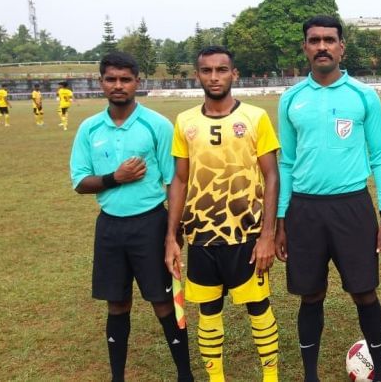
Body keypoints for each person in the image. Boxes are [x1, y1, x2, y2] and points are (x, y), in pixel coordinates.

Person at [276, 15, 381, 382]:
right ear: (305, 48)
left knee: (364, 293)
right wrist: (280, 219)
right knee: (310, 295)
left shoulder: (363, 96)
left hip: (352, 207)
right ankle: (310, 375)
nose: (322, 46)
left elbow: (379, 156)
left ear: (342, 47)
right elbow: (286, 161)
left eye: (330, 40)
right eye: (315, 40)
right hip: (304, 210)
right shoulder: (291, 99)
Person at [69, 52, 193, 382]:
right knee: (117, 303)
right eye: (111, 79)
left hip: (151, 224)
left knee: (163, 303)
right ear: (101, 83)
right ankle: (117, 376)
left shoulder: (157, 126)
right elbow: (80, 181)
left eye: (125, 79)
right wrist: (114, 178)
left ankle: (185, 374)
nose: (118, 85)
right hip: (109, 226)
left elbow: (174, 182)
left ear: (138, 82)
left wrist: (173, 233)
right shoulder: (90, 128)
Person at [165, 45, 281, 382]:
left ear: (234, 74)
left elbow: (272, 176)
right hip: (201, 234)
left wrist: (267, 235)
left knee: (259, 307)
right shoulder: (185, 121)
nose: (214, 77)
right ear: (197, 75)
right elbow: (180, 179)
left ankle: (270, 377)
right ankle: (216, 378)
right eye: (207, 71)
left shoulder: (255, 117)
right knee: (208, 310)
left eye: (221, 70)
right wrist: (172, 237)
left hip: (245, 234)